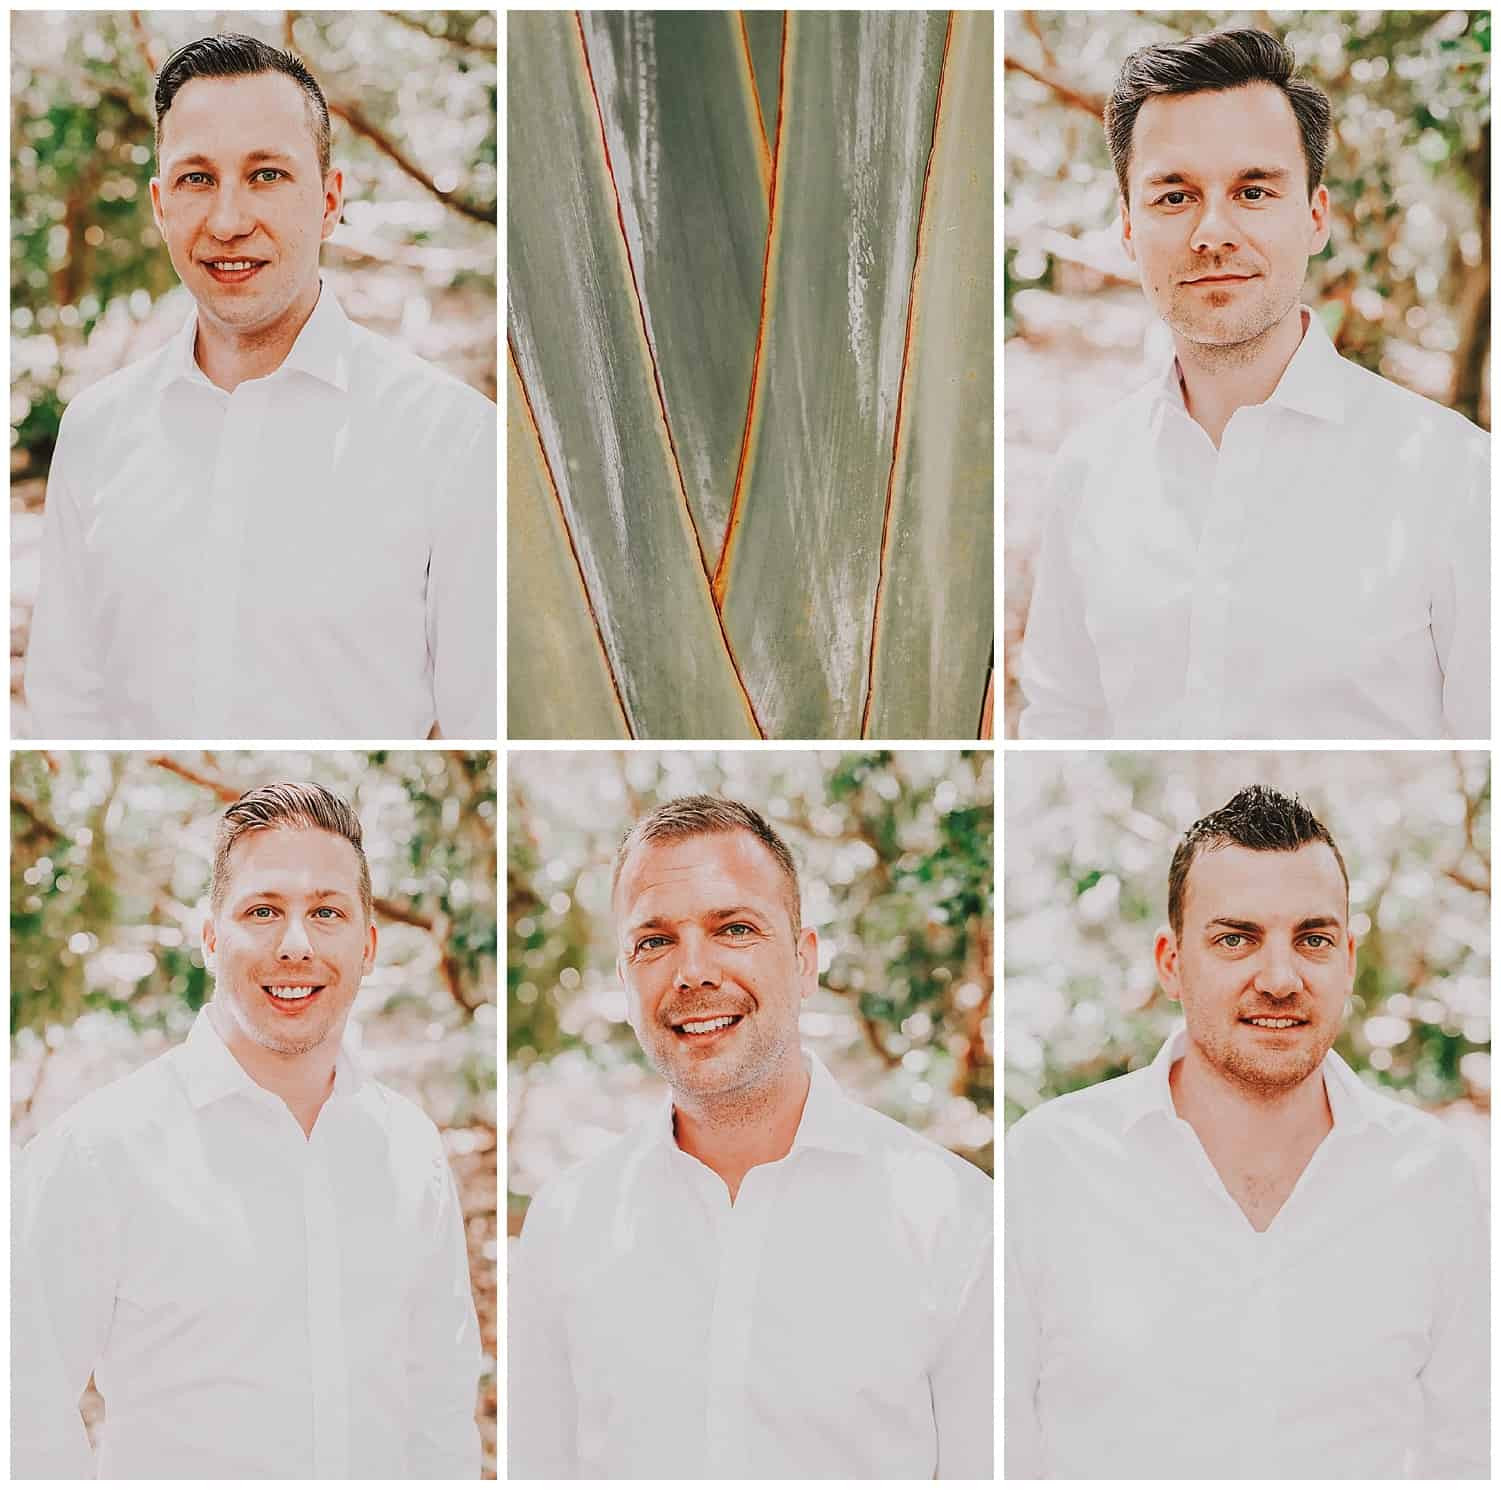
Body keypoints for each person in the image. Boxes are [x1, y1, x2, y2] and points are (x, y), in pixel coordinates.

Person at [1017, 28, 1488, 740]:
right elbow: (1059, 727)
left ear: (1315, 216)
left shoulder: (1458, 476)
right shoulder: (1086, 474)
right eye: (1174, 196)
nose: (1212, 231)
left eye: (1252, 190)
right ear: (1126, 228)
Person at [1005, 785, 1488, 1478]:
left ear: (1347, 959)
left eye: (1312, 940)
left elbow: (1469, 1450)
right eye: (1235, 939)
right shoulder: (1050, 1162)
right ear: (1171, 963)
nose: (1279, 977)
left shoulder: (1433, 1176)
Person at [23, 33, 496, 740]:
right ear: (160, 204)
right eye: (197, 178)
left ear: (330, 200)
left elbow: (481, 720)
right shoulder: (97, 430)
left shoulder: (452, 437)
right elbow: (67, 709)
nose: (228, 222)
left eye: (267, 175)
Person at [508, 795, 993, 1479]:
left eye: (733, 928)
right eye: (654, 941)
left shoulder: (955, 1219)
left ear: (804, 961)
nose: (693, 972)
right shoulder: (565, 1223)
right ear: (624, 980)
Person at [12, 782, 482, 1478]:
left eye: (326, 912)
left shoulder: (411, 1150)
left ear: (368, 944)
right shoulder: (97, 1151)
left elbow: (440, 1407)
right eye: (262, 911)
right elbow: (20, 1408)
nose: (295, 945)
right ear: (209, 939)